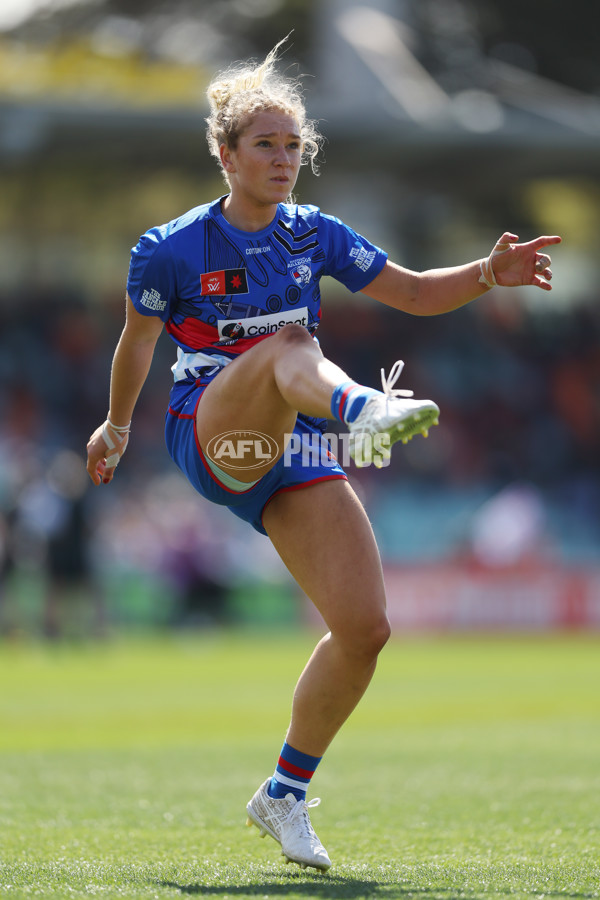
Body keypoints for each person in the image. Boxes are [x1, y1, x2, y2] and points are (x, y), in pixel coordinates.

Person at [86, 37, 561, 872]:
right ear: (224, 154)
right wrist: (118, 425)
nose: (282, 158)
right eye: (263, 144)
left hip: (295, 437)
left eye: (292, 144)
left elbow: (413, 291)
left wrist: (489, 273)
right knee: (287, 341)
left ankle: (283, 795)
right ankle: (365, 409)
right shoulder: (170, 247)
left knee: (365, 628)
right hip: (213, 431)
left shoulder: (318, 233)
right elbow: (137, 341)